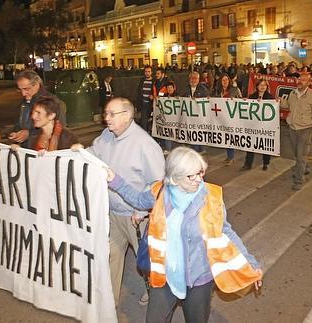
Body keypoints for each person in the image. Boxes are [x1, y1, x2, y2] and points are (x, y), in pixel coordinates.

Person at [105, 146, 263, 322]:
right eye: (192, 176)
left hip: (198, 280)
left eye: (201, 172)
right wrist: (114, 180)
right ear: (175, 178)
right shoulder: (159, 192)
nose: (199, 179)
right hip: (164, 276)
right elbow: (137, 200)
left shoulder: (210, 197)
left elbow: (226, 231)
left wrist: (250, 263)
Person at [84, 98, 165, 307]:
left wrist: (142, 210)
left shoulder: (145, 145)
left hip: (136, 217)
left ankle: (156, 294)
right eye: (106, 113)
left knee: (147, 260)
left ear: (127, 116)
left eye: (112, 114)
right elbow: (93, 155)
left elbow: (157, 184)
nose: (106, 118)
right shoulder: (107, 136)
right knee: (111, 256)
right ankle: (108, 304)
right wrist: (78, 152)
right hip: (112, 213)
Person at [280, 74, 312, 190]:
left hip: (305, 130)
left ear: (309, 83)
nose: (300, 81)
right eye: (299, 79)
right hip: (292, 128)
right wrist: (281, 102)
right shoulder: (293, 93)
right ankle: (305, 167)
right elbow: (288, 106)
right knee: (296, 153)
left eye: (303, 80)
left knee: (301, 155)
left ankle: (299, 180)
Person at [9, 70, 68, 147]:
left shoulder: (53, 102)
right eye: (20, 89)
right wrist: (16, 133)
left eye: (26, 89)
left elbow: (59, 129)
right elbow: (20, 123)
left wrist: (29, 134)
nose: (23, 94)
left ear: (36, 85)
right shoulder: (24, 102)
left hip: (44, 151)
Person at [244, 79, 275, 170]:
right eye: (261, 85)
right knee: (250, 144)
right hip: (253, 124)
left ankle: (266, 163)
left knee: (264, 144)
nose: (262, 87)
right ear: (257, 86)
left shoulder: (270, 97)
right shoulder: (252, 96)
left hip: (265, 125)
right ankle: (248, 163)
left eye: (264, 85)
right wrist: (246, 102)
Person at [213, 74, 242, 165]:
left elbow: (241, 100)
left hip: (231, 117)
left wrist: (235, 100)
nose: (225, 82)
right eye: (223, 80)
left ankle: (231, 157)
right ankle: (229, 156)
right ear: (220, 82)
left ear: (229, 81)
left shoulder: (235, 90)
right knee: (225, 136)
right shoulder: (218, 91)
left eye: (226, 80)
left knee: (230, 136)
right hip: (221, 117)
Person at [180, 71, 210, 153]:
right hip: (189, 117)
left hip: (199, 117)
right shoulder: (185, 88)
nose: (193, 80)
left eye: (195, 78)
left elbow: (208, 100)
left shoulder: (203, 89)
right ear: (189, 79)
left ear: (198, 79)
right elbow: (180, 98)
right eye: (192, 78)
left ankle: (199, 149)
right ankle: (196, 150)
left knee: (198, 133)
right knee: (193, 134)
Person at [137, 66, 155, 133]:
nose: (147, 73)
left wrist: (153, 96)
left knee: (151, 120)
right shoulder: (142, 81)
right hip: (144, 104)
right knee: (144, 121)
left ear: (151, 72)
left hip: (151, 104)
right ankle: (145, 134)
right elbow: (139, 92)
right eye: (146, 71)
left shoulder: (154, 81)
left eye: (149, 71)